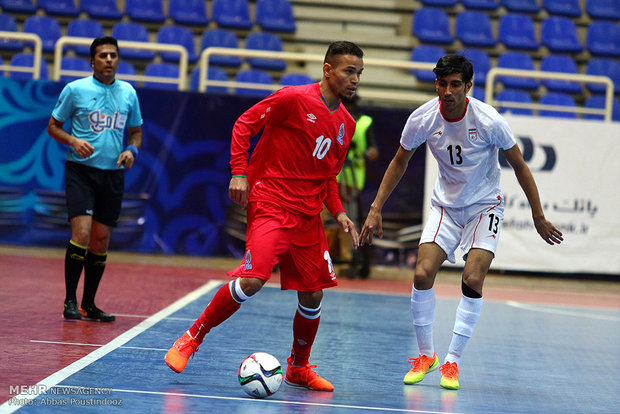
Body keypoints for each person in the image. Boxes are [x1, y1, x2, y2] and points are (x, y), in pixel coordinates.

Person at [164, 41, 364, 392]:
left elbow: (328, 176)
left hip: (307, 217)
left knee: (313, 295)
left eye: (359, 73)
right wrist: (239, 172)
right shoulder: (292, 98)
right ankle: (191, 338)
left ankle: (298, 369)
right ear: (327, 69)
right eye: (349, 71)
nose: (355, 80)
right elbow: (243, 124)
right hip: (271, 202)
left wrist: (340, 212)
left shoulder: (346, 123)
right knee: (253, 280)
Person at [360, 54, 563, 390]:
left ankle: (452, 361)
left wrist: (537, 215)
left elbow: (521, 166)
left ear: (468, 87)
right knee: (422, 273)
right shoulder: (422, 118)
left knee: (472, 277)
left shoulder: (488, 120)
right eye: (442, 83)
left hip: (485, 207)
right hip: (446, 208)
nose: (447, 91)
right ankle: (427, 356)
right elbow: (399, 161)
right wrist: (375, 207)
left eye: (456, 84)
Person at [47, 36, 143, 322]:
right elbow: (53, 126)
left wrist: (131, 149)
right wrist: (74, 141)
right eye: (103, 56)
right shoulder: (75, 90)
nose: (109, 60)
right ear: (93, 61)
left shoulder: (128, 93)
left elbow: (136, 131)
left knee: (101, 240)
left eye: (113, 55)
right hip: (81, 172)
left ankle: (89, 304)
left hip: (112, 175)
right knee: (83, 234)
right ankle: (69, 301)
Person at [327, 94, 378, 278]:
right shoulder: (332, 118)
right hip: (332, 176)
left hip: (352, 179)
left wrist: (365, 154)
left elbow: (373, 149)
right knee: (330, 220)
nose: (347, 107)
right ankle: (333, 258)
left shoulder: (364, 122)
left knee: (347, 218)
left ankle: (348, 259)